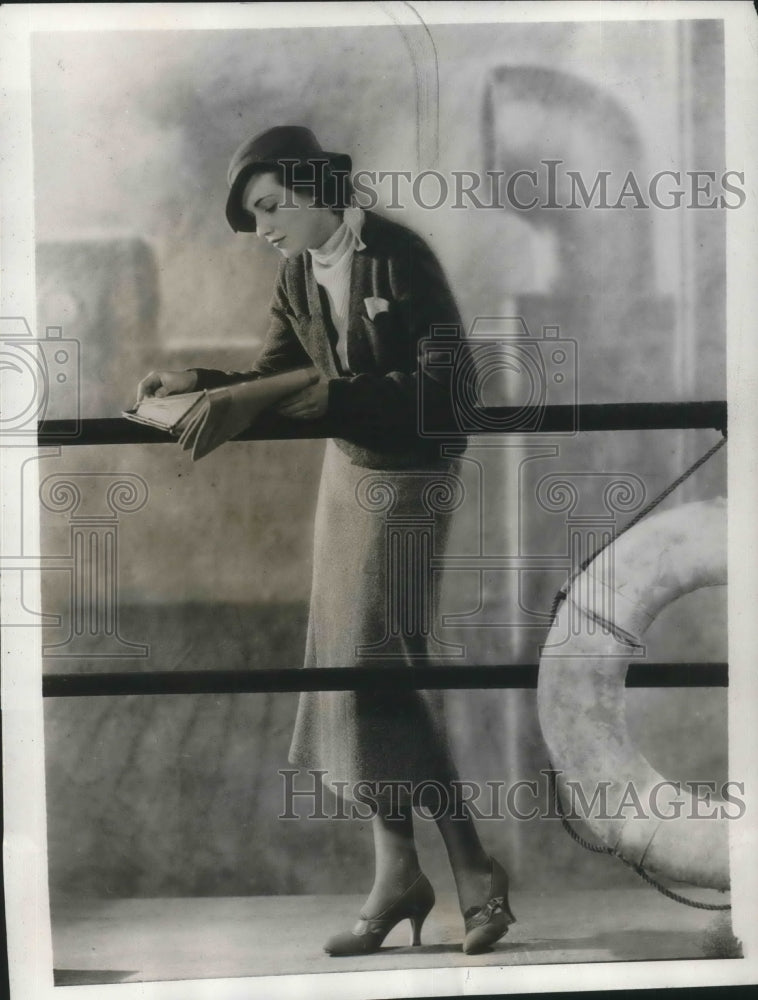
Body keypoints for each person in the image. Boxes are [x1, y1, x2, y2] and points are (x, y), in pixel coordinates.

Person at [137, 125, 515, 956]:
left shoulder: (399, 256)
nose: (264, 228)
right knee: (350, 671)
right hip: (346, 478)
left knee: (392, 670)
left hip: (411, 477)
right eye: (255, 215)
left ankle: (472, 867)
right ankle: (398, 874)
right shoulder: (297, 272)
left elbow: (450, 388)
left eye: (273, 206)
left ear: (315, 190)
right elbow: (274, 377)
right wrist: (198, 382)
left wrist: (341, 399)